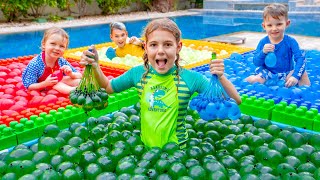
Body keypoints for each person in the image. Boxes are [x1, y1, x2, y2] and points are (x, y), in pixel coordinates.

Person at [81, 18, 241, 149]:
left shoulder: (191, 78)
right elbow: (108, 88)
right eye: (153, 45)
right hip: (147, 150)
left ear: (178, 47)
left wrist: (220, 77)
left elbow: (234, 101)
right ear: (145, 48)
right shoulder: (138, 74)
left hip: (179, 150)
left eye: (168, 44)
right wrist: (96, 66)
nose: (160, 51)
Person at [245, 3, 310, 87]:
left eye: (279, 24)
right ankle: (248, 81)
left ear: (287, 23)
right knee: (254, 80)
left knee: (303, 73)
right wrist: (263, 52)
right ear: (264, 26)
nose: (274, 28)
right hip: (267, 74)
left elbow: (300, 59)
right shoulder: (263, 42)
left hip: (286, 74)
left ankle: (305, 94)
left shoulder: (290, 41)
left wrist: (295, 76)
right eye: (269, 25)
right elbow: (256, 62)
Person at [22, 27, 82, 94]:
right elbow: (29, 86)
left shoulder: (61, 61)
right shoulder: (36, 64)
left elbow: (79, 75)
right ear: (44, 44)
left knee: (78, 81)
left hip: (56, 81)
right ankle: (75, 91)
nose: (57, 48)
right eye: (53, 44)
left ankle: (87, 87)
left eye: (61, 46)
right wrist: (45, 83)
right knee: (57, 85)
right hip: (42, 86)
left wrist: (71, 74)